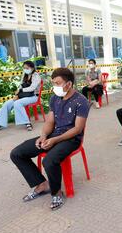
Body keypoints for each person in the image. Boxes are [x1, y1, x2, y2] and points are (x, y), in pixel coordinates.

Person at [10, 68, 89, 211]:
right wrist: (44, 136)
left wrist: (55, 140)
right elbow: (49, 122)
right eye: (53, 83)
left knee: (49, 160)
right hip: (53, 135)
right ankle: (41, 184)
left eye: (58, 83)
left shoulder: (81, 101)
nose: (55, 87)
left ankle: (57, 192)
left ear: (69, 84)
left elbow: (77, 129)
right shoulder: (54, 98)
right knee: (17, 153)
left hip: (71, 139)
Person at [0, 61, 41, 133]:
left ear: (32, 68)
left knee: (18, 103)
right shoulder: (25, 74)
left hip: (33, 96)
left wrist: (21, 90)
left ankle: (27, 123)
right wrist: (17, 95)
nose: (25, 69)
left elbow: (32, 88)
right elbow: (21, 85)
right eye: (24, 68)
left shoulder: (36, 76)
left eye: (27, 68)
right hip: (23, 96)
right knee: (7, 103)